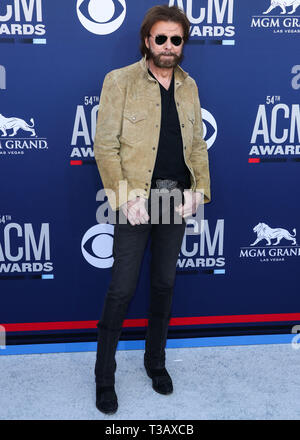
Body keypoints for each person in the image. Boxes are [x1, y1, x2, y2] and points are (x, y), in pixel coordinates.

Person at [93, 4, 211, 415]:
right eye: (160, 38)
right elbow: (105, 146)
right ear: (147, 40)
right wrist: (126, 197)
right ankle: (104, 378)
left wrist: (200, 190)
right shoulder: (120, 81)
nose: (168, 46)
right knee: (122, 289)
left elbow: (196, 145)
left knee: (163, 285)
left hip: (174, 202)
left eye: (175, 39)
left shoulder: (189, 86)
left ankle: (155, 363)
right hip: (134, 202)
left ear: (183, 44)